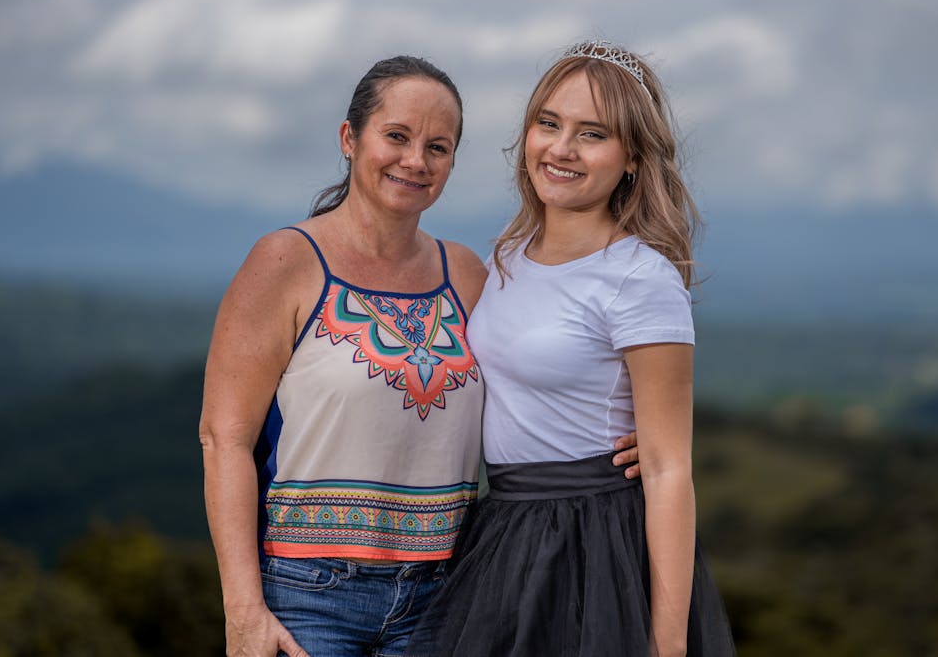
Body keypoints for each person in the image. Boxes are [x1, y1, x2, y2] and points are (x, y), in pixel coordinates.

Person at [198, 54, 641, 657]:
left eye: (438, 146)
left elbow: (536, 373)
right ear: (350, 139)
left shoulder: (467, 275)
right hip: (309, 598)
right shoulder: (285, 262)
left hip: (447, 597)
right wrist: (243, 611)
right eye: (397, 137)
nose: (416, 161)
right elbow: (224, 439)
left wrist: (620, 439)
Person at [413, 41, 736, 656]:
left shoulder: (640, 278)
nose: (561, 149)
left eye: (592, 134)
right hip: (503, 531)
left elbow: (669, 471)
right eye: (548, 123)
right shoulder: (505, 260)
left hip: (595, 544)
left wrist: (666, 645)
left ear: (634, 158)